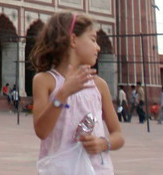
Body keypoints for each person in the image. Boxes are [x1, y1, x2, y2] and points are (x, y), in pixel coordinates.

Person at [31, 12, 123, 174]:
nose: (98, 47)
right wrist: (64, 93)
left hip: (98, 170)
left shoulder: (99, 85)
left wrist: (103, 143)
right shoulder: (46, 81)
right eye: (93, 40)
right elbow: (42, 131)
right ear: (73, 40)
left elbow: (118, 136)